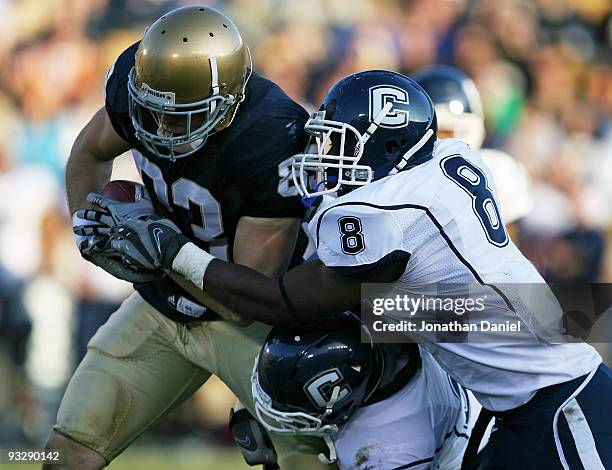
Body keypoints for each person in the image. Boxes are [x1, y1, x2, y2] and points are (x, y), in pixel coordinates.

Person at [105, 69, 612, 469]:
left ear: (390, 149)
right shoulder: (445, 164)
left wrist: (174, 252)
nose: (327, 158)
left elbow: (279, 299)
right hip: (518, 398)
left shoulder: (384, 215)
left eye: (341, 144)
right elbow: (419, 310)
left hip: (560, 403)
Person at [48, 5, 331, 469]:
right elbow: (90, 150)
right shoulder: (140, 84)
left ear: (228, 105)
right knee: (69, 451)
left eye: (179, 117)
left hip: (255, 326)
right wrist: (88, 227)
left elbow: (245, 299)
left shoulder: (269, 136)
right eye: (151, 111)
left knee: (310, 463)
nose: (160, 128)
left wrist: (166, 251)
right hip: (162, 304)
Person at [251, 313, 481, 469]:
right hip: (468, 402)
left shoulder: (390, 451)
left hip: (471, 455)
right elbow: (507, 309)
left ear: (338, 395)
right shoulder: (389, 311)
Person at [412, 65, 533, 232]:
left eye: (446, 132)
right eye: (429, 135)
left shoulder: (498, 172)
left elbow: (508, 250)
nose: (438, 142)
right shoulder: (399, 181)